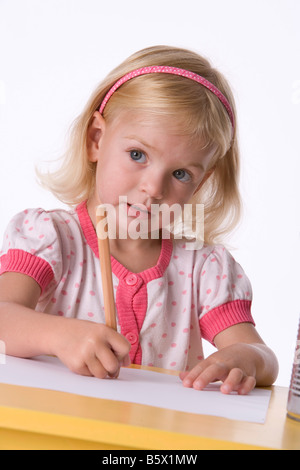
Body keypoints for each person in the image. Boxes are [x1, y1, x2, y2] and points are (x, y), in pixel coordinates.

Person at [0, 45, 278, 394]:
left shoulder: (203, 269)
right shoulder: (51, 238)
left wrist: (243, 358)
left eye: (180, 173)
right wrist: (59, 335)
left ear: (201, 182)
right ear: (96, 139)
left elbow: (264, 357)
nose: (153, 187)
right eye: (138, 155)